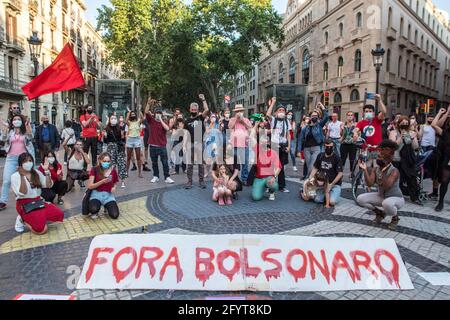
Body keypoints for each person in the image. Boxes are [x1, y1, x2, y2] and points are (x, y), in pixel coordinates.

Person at [11, 152, 64, 234]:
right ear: (20, 164)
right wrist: (22, 176)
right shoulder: (15, 176)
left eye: (30, 160)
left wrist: (46, 171)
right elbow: (22, 193)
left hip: (38, 201)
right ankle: (22, 219)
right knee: (42, 230)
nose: (28, 163)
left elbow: (48, 185)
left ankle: (38, 218)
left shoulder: (36, 173)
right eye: (25, 161)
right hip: (24, 204)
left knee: (59, 214)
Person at [356, 140, 404, 230]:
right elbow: (369, 184)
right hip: (381, 196)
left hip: (395, 198)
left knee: (387, 203)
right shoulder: (376, 169)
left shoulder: (394, 171)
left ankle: (395, 218)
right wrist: (365, 169)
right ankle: (380, 213)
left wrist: (383, 172)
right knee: (360, 199)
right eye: (379, 153)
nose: (379, 155)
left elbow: (386, 186)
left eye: (382, 155)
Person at [0, 114, 34, 211]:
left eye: (18, 119)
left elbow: (31, 137)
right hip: (11, 158)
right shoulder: (10, 131)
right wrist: (6, 128)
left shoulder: (25, 130)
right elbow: (3, 139)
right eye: (14, 119)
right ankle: (3, 201)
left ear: (22, 121)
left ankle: (29, 199)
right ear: (12, 122)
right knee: (6, 180)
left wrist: (27, 126)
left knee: (26, 179)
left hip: (23, 159)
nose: (16, 121)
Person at [389, 115, 422, 205]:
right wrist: (401, 137)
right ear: (398, 124)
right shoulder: (393, 132)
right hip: (396, 159)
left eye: (406, 123)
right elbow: (392, 146)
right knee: (396, 179)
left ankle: (414, 197)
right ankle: (394, 195)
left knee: (412, 177)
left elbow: (415, 147)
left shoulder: (411, 132)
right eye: (402, 123)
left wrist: (413, 138)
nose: (404, 125)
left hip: (407, 160)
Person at [143, 102, 175, 184]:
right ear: (154, 114)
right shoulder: (151, 121)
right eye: (157, 113)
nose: (158, 114)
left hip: (162, 146)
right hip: (153, 146)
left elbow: (167, 129)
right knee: (154, 162)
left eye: (159, 113)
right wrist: (148, 104)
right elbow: (146, 112)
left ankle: (167, 177)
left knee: (165, 162)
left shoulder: (164, 122)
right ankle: (155, 176)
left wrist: (160, 119)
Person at [249, 122, 282, 201]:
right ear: (260, 143)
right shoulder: (258, 149)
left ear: (269, 142)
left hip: (269, 177)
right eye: (262, 141)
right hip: (259, 178)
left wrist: (274, 177)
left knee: (274, 185)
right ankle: (262, 187)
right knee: (256, 197)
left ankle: (271, 192)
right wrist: (256, 124)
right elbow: (251, 137)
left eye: (266, 141)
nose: (264, 142)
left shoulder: (273, 153)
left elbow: (279, 167)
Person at [354, 94, 387, 168]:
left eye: (370, 111)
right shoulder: (361, 122)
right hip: (366, 150)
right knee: (367, 170)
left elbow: (384, 112)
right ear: (363, 113)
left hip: (377, 149)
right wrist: (355, 134)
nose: (368, 112)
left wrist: (379, 100)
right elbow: (356, 129)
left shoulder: (377, 120)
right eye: (366, 111)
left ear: (373, 112)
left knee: (377, 168)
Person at [266, 97, 291, 193]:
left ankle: (282, 186)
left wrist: (288, 146)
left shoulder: (287, 121)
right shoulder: (273, 120)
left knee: (281, 168)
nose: (281, 112)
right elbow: (268, 114)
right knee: (272, 166)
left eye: (283, 110)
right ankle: (269, 185)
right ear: (276, 112)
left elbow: (288, 134)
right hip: (274, 145)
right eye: (280, 110)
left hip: (283, 145)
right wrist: (273, 102)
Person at [308, 139, 343, 207]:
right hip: (322, 184)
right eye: (327, 147)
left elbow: (340, 173)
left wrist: (331, 184)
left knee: (332, 202)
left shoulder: (337, 158)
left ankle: (334, 195)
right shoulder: (320, 156)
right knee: (317, 200)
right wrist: (310, 178)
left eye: (330, 147)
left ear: (333, 147)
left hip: (334, 184)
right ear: (324, 147)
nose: (328, 148)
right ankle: (326, 195)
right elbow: (315, 168)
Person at [297, 102, 329, 177]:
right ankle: (312, 181)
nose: (314, 117)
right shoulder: (305, 128)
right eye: (313, 115)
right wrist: (299, 150)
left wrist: (322, 107)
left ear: (318, 117)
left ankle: (308, 181)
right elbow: (300, 139)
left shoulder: (319, 125)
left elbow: (326, 117)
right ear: (310, 117)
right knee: (309, 166)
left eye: (316, 116)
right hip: (306, 149)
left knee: (312, 166)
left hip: (316, 148)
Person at [185, 94, 209, 189]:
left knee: (200, 164)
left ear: (198, 110)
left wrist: (203, 100)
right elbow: (186, 133)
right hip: (190, 144)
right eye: (193, 109)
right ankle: (189, 181)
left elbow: (206, 110)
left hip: (199, 143)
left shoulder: (200, 117)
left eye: (196, 110)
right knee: (190, 164)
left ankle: (201, 181)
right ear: (190, 110)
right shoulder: (187, 121)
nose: (194, 111)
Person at [86, 152, 120, 219]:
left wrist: (114, 187)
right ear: (100, 161)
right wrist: (102, 181)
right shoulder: (95, 169)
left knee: (115, 215)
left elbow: (115, 182)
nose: (106, 163)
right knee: (93, 209)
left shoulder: (113, 170)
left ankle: (106, 207)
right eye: (104, 161)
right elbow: (90, 186)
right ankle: (96, 209)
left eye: (108, 161)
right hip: (96, 194)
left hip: (108, 195)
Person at [431, 107, 450, 212]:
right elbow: (434, 125)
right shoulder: (445, 133)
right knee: (444, 181)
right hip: (447, 160)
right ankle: (440, 202)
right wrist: (444, 113)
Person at [228, 105, 252, 184]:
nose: (239, 112)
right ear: (235, 112)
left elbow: (250, 128)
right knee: (234, 162)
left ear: (243, 112)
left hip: (245, 144)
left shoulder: (246, 119)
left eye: (240, 111)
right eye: (237, 111)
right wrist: (236, 119)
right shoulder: (232, 119)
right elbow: (230, 127)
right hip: (234, 144)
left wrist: (242, 121)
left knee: (245, 162)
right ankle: (235, 178)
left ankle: (244, 179)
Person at [104, 114, 128, 188]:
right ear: (110, 120)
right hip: (110, 147)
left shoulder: (120, 128)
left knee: (121, 164)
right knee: (111, 164)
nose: (113, 119)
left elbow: (122, 139)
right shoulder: (107, 128)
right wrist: (105, 136)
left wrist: (123, 137)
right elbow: (105, 141)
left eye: (114, 118)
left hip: (119, 147)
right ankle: (112, 181)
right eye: (112, 118)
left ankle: (123, 181)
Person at [125, 109, 144, 178]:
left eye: (134, 114)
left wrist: (140, 110)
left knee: (138, 157)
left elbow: (142, 118)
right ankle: (126, 172)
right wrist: (129, 113)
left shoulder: (138, 122)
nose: (133, 115)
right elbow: (126, 121)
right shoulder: (129, 122)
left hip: (137, 140)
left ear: (135, 115)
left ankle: (139, 172)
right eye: (131, 115)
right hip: (130, 140)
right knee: (128, 158)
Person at [340, 111, 357, 177]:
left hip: (352, 144)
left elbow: (358, 134)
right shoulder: (343, 124)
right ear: (346, 116)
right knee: (342, 159)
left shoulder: (356, 124)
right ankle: (340, 173)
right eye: (348, 115)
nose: (350, 116)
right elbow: (341, 135)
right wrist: (341, 129)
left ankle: (351, 173)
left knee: (352, 159)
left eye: (351, 115)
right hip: (344, 144)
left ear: (353, 117)